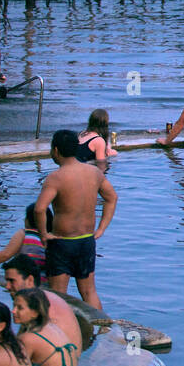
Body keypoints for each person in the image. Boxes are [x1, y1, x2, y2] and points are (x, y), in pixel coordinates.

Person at [34, 130, 118, 311]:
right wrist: (102, 228)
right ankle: (103, 329)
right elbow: (111, 198)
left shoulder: (55, 177)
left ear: (55, 150)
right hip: (86, 240)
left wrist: (44, 235)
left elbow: (40, 208)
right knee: (89, 292)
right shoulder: (94, 172)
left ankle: (60, 333)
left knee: (58, 294)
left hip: (62, 242)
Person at [2, 254, 83, 356]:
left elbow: (20, 352)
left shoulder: (40, 305)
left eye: (11, 281)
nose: (7, 286)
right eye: (6, 281)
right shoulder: (40, 299)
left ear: (30, 280)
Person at [0, 203, 52, 272]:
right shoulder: (50, 240)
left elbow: (6, 255)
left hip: (23, 277)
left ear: (27, 220)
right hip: (41, 279)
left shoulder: (24, 234)